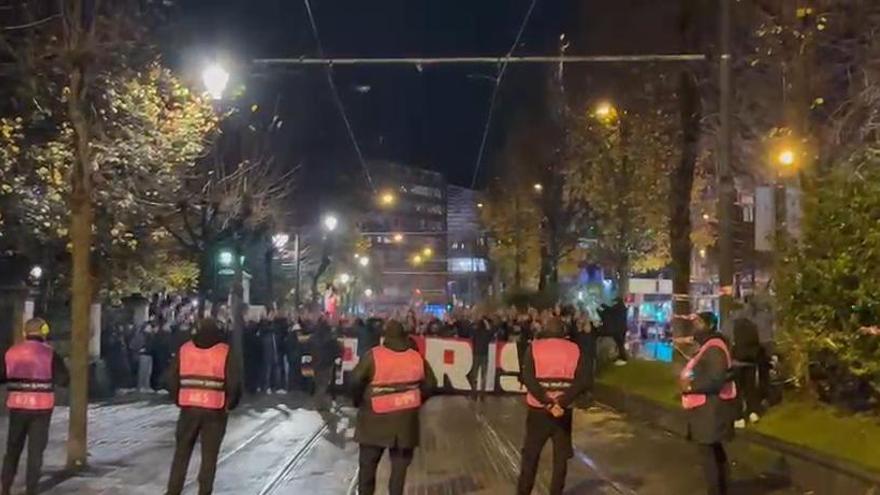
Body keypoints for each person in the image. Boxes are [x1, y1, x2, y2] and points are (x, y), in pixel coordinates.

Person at [351, 320, 436, 495]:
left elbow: (355, 381)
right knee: (399, 471)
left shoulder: (374, 356)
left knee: (367, 468)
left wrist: (358, 401)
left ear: (385, 337)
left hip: (372, 421)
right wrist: (415, 399)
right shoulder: (416, 357)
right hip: (405, 423)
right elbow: (431, 384)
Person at [165, 318, 242, 495]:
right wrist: (230, 403)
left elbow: (171, 378)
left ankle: (173, 491)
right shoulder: (224, 351)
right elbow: (234, 382)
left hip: (188, 409)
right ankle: (204, 492)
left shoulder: (185, 349)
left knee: (181, 455)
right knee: (209, 458)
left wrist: (178, 398)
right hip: (215, 410)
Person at [517, 318, 591, 495]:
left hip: (538, 411)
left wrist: (548, 402)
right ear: (563, 331)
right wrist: (561, 403)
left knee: (531, 456)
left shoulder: (534, 347)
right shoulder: (574, 349)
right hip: (563, 412)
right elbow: (582, 380)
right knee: (560, 459)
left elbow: (528, 378)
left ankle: (523, 491)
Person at [0, 318, 69, 495]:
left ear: (25, 333)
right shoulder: (50, 353)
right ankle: (31, 489)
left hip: (17, 406)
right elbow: (63, 379)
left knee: (13, 448)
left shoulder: (11, 352)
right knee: (36, 451)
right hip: (41, 409)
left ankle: (5, 486)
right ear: (44, 332)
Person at [679, 312, 737, 495]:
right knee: (713, 450)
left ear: (708, 325)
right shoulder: (709, 346)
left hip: (711, 409)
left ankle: (716, 490)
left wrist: (690, 386)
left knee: (708, 454)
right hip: (709, 408)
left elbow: (715, 379)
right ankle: (721, 489)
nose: (695, 326)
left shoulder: (714, 348)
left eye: (699, 323)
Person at [468, 316, 494, 401]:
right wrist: (486, 323)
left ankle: (474, 393)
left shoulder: (475, 332)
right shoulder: (487, 333)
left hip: (476, 355)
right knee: (483, 375)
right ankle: (482, 394)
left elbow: (470, 331)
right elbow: (491, 332)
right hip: (484, 355)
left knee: (474, 375)